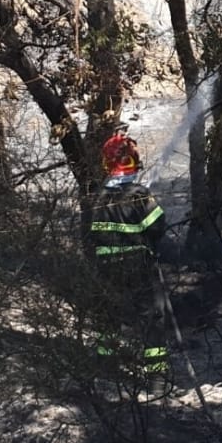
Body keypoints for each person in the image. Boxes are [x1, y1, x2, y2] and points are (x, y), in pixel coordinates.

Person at [87, 131, 171, 397]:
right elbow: (158, 227)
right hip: (138, 266)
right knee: (152, 319)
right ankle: (156, 380)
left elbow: (92, 236)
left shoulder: (98, 198)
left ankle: (106, 369)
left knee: (108, 318)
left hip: (106, 268)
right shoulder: (139, 195)